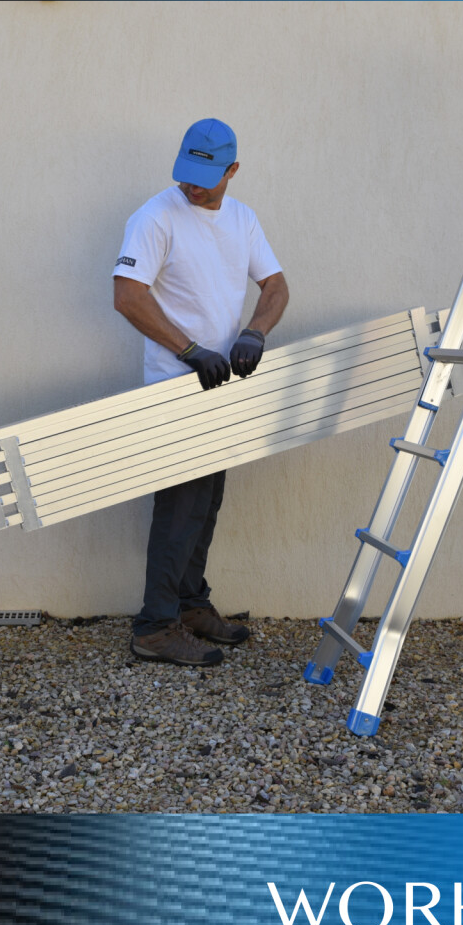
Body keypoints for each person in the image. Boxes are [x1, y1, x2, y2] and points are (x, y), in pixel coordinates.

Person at [112, 118, 289, 667]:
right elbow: (128, 295)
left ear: (232, 170)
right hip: (176, 388)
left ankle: (190, 606)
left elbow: (276, 285)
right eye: (185, 173)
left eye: (204, 177)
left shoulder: (242, 219)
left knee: (206, 503)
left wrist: (255, 332)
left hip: (223, 387)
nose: (191, 186)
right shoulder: (155, 217)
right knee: (180, 507)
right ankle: (155, 627)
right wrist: (188, 350)